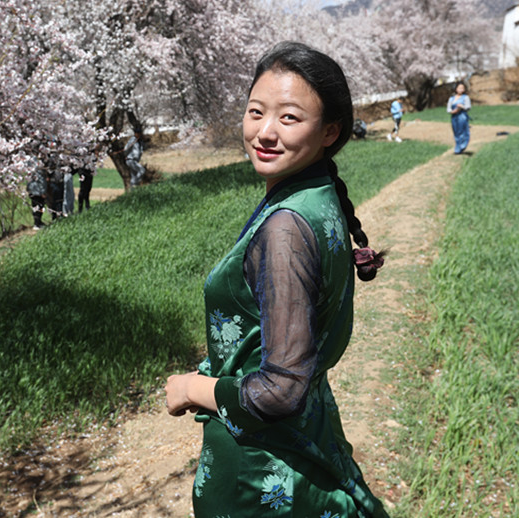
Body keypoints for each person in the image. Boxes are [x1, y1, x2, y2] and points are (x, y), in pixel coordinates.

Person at [165, 41, 388, 517]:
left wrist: (189, 388)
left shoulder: (285, 229)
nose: (265, 132)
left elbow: (280, 389)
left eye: (289, 118)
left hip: (263, 470)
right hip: (308, 435)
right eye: (256, 112)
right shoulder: (317, 195)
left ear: (330, 131)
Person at [447, 82, 471, 154]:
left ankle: (462, 146)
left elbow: (468, 107)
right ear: (456, 89)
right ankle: (458, 148)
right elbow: (448, 109)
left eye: (462, 88)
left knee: (462, 131)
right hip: (454, 117)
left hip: (462, 116)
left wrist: (461, 106)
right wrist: (452, 111)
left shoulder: (466, 97)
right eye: (459, 88)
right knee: (456, 132)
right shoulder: (451, 98)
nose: (461, 89)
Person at [25, 158, 48, 230]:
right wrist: (43, 192)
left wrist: (28, 189)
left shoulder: (29, 165)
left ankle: (38, 222)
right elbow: (41, 181)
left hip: (32, 190)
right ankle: (37, 223)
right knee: (40, 207)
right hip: (38, 192)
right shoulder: (39, 170)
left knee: (35, 207)